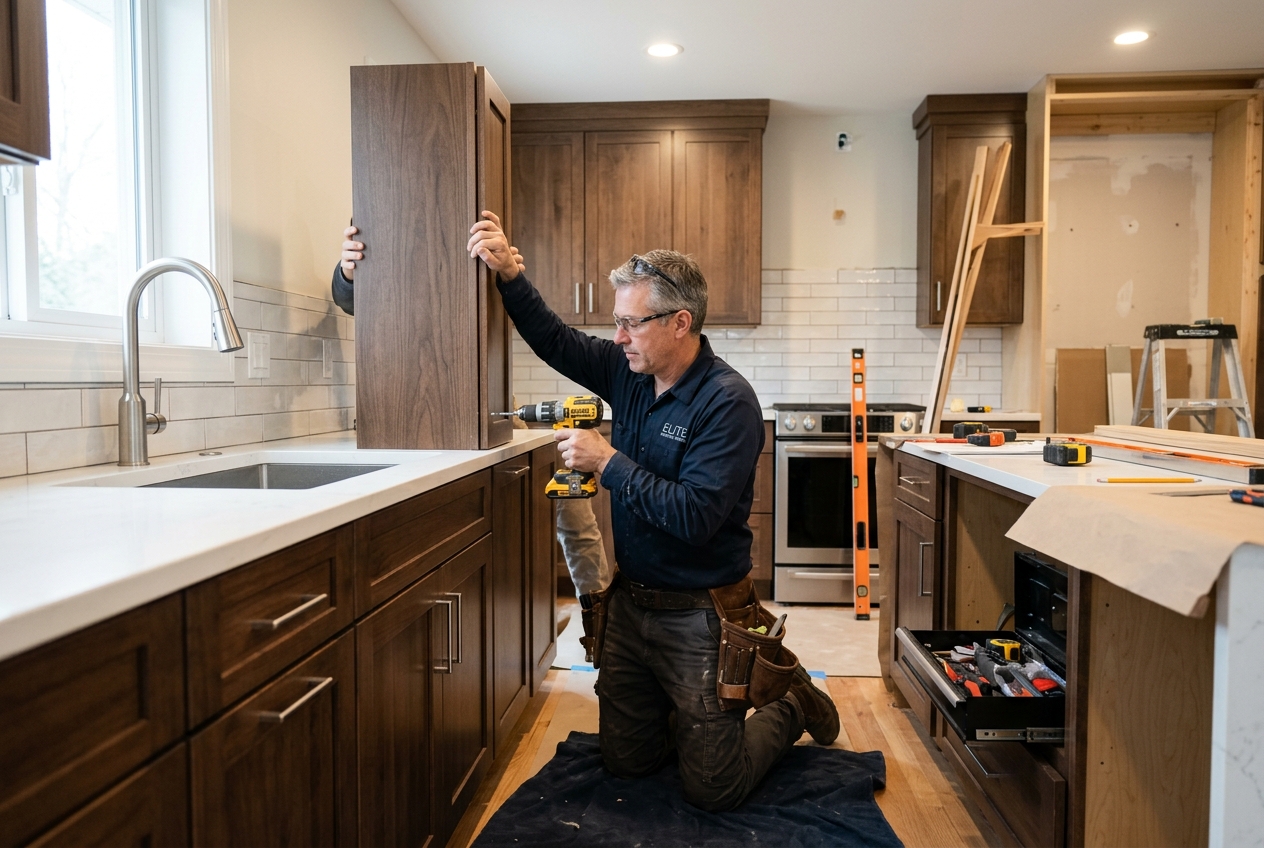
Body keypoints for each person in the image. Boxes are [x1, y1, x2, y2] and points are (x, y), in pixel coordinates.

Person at [466, 211, 840, 812]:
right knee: (627, 763)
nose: (617, 338)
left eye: (629, 324)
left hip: (703, 613)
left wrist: (607, 462)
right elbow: (556, 340)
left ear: (679, 323)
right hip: (632, 605)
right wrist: (509, 274)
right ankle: (688, 714)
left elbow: (694, 517)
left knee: (713, 789)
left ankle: (790, 698)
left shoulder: (728, 402)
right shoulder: (631, 372)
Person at [332, 226, 611, 597]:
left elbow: (529, 318)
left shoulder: (482, 263)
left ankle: (599, 618)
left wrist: (510, 276)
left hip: (495, 408)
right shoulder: (395, 279)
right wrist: (347, 273)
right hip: (424, 418)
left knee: (576, 520)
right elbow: (351, 300)